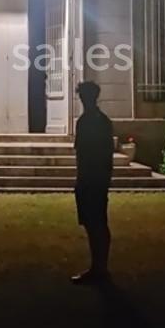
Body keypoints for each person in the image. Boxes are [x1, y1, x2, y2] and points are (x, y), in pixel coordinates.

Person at [71, 81, 114, 284]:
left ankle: (100, 268)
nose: (83, 100)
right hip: (88, 178)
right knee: (92, 223)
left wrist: (102, 179)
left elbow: (105, 154)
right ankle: (97, 267)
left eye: (85, 96)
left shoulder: (96, 122)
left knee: (98, 224)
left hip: (94, 179)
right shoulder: (91, 121)